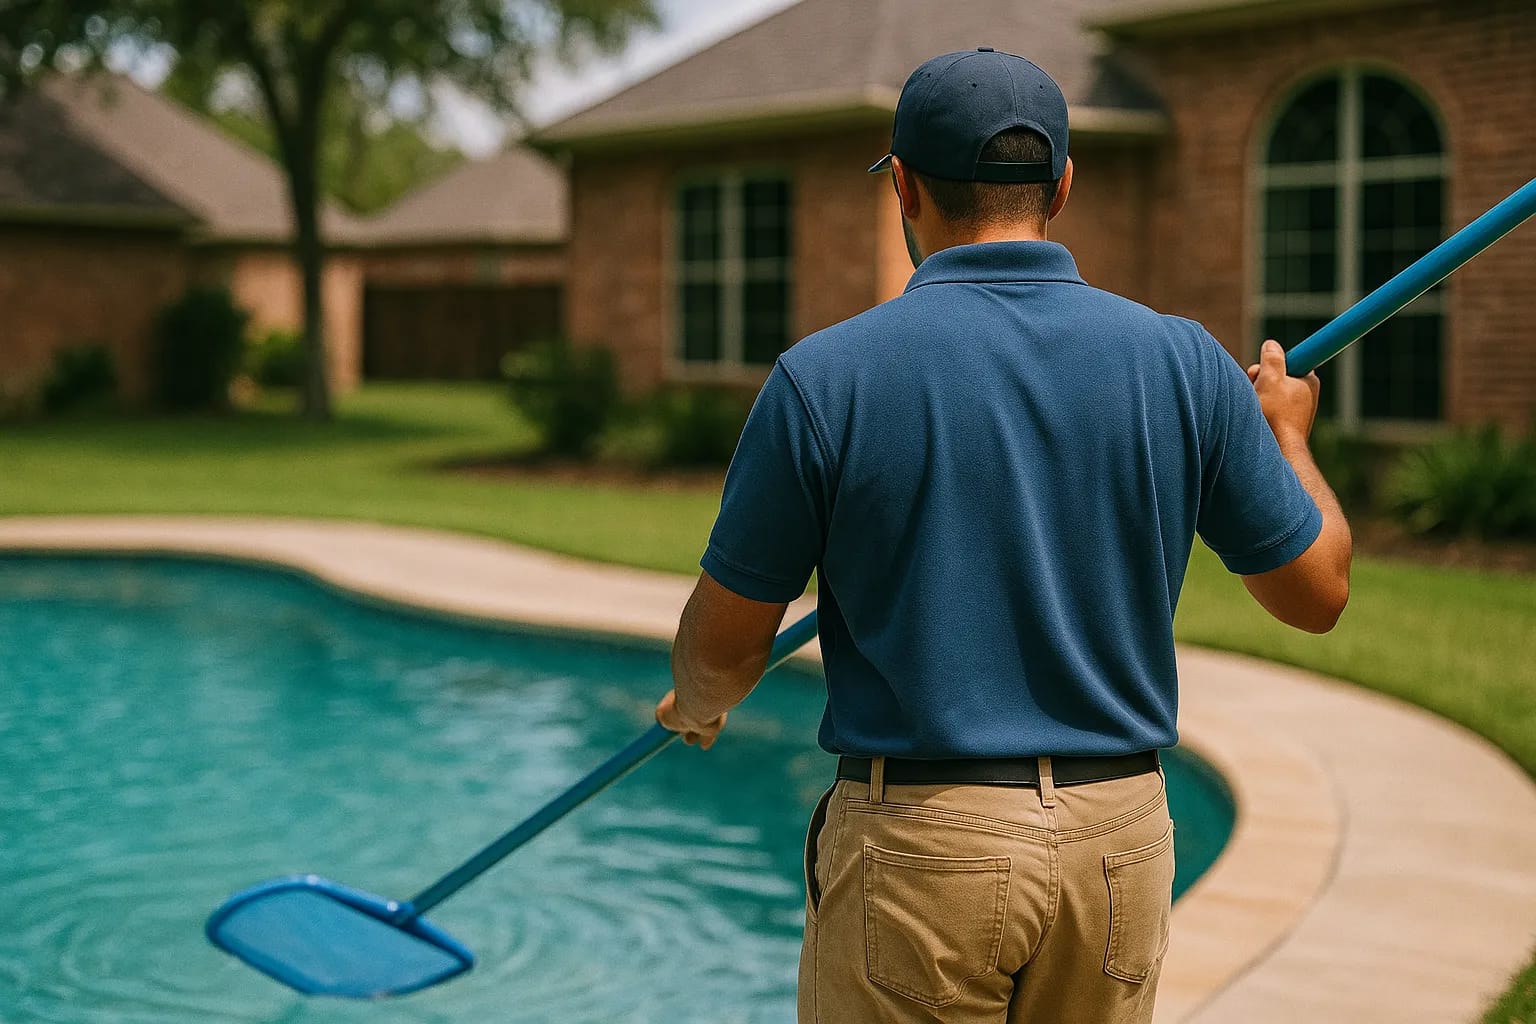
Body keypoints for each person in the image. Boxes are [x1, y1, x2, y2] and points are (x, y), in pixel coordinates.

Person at [654, 48, 1351, 1024]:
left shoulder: (824, 379)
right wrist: (1288, 441)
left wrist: (697, 698)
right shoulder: (1183, 362)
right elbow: (1317, 590)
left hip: (924, 850)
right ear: (1062, 187)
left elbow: (728, 644)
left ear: (903, 185)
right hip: (1118, 844)